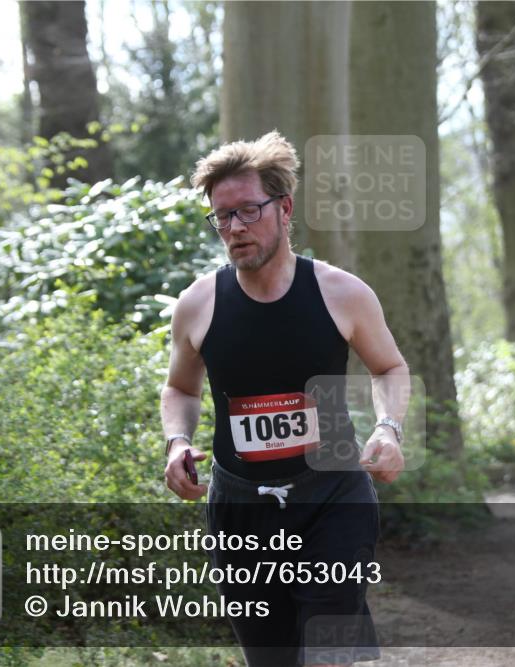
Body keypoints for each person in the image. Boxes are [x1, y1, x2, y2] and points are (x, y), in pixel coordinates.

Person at [160, 131, 408, 666]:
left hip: (331, 499)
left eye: (248, 211)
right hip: (239, 507)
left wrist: (388, 428)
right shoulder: (198, 304)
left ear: (285, 207)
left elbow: (389, 368)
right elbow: (180, 387)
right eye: (222, 218)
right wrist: (176, 441)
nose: (235, 228)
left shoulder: (342, 293)